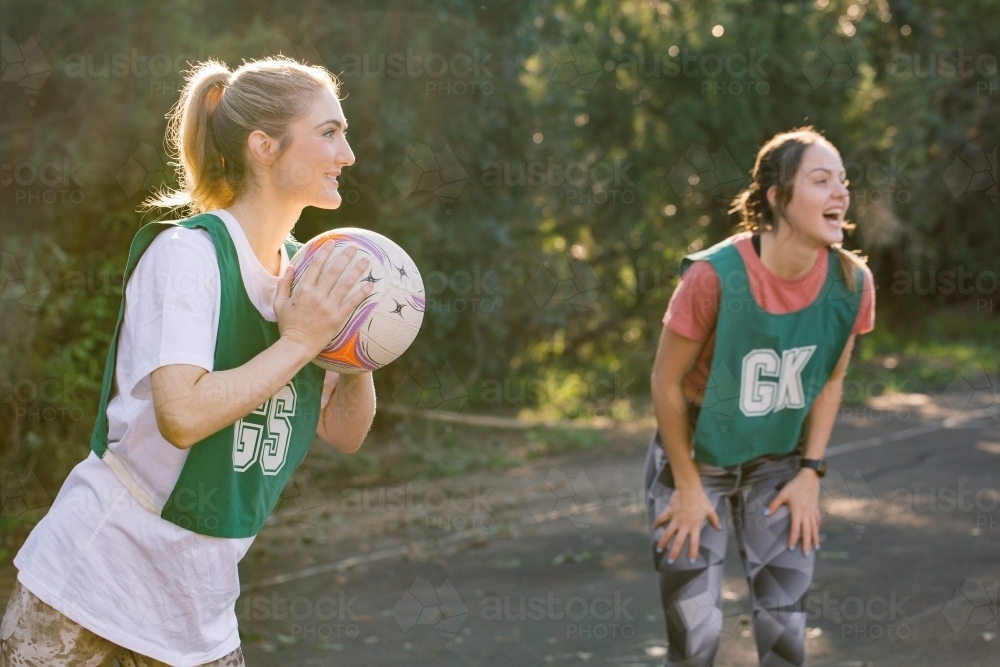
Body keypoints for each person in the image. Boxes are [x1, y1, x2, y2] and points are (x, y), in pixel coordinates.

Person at [1, 56, 376, 666]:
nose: (349, 153)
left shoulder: (311, 276)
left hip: (196, 607)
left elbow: (345, 431)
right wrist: (302, 341)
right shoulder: (188, 255)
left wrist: (359, 348)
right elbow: (183, 414)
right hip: (90, 588)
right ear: (264, 146)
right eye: (329, 132)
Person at [645, 128, 875, 667]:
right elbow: (665, 382)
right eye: (821, 180)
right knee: (696, 636)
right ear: (777, 197)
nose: (841, 192)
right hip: (697, 456)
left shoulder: (852, 283)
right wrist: (685, 484)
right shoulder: (713, 278)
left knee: (784, 632)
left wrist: (809, 473)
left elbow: (831, 380)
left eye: (843, 180)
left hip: (779, 462)